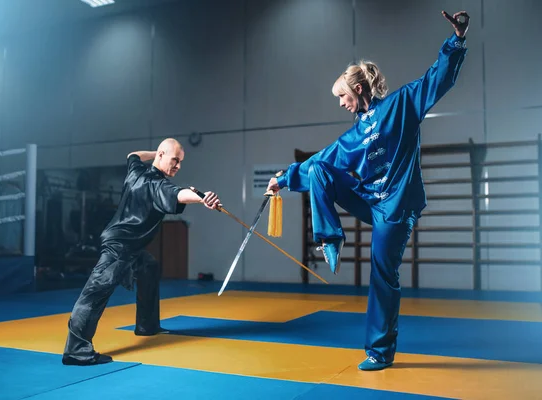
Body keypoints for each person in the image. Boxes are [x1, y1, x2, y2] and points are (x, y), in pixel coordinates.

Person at [267, 11, 470, 371]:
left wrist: (456, 40)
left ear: (358, 90)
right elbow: (319, 164)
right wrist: (282, 179)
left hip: (397, 207)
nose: (340, 103)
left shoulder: (400, 105)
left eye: (342, 96)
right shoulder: (353, 136)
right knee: (322, 168)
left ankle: (380, 351)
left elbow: (435, 81)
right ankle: (330, 238)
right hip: (370, 203)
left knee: (382, 272)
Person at [62, 138, 221, 366]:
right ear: (161, 156)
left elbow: (133, 154)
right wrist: (202, 198)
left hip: (131, 247)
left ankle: (147, 325)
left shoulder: (136, 171)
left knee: (149, 266)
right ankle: (76, 351)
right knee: (95, 293)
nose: (178, 166)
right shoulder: (158, 185)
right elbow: (179, 194)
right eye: (174, 160)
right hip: (119, 247)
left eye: (180, 162)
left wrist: (157, 153)